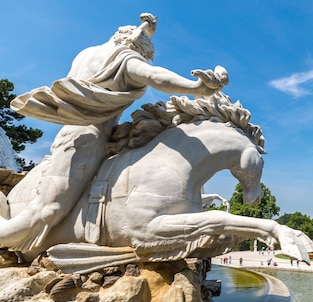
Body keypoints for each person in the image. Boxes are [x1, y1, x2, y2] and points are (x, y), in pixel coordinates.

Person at [0, 13, 228, 251]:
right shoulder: (125, 60)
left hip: (79, 136)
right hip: (88, 141)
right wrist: (196, 87)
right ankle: (5, 235)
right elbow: (155, 76)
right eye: (145, 56)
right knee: (49, 209)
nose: (144, 61)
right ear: (138, 49)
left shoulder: (86, 54)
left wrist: (146, 31)